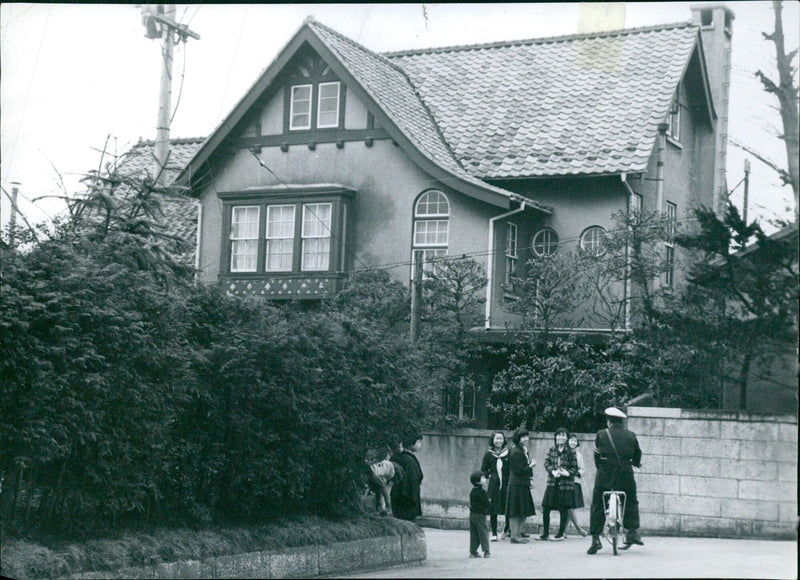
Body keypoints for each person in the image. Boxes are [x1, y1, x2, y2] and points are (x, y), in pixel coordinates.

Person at [587, 407, 644, 555]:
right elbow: (638, 454)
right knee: (631, 500)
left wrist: (600, 468)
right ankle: (632, 531)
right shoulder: (631, 435)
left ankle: (595, 539)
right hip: (625, 474)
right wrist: (636, 464)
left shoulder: (601, 434)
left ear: (609, 421)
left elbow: (597, 457)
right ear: (622, 422)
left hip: (605, 474)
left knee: (598, 503)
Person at [538, 427, 578, 541]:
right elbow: (546, 463)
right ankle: (545, 533)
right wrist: (552, 471)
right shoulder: (552, 449)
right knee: (546, 508)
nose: (561, 438)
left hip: (565, 484)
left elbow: (575, 468)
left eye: (563, 435)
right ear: (555, 437)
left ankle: (560, 534)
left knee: (563, 509)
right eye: (559, 435)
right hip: (552, 482)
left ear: (566, 438)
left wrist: (567, 473)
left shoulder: (571, 452)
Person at [505, 427, 536, 543]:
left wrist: (530, 479)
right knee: (515, 511)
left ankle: (518, 534)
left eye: (526, 436)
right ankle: (514, 536)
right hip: (516, 485)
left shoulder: (524, 449)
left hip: (523, 484)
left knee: (524, 510)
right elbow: (519, 470)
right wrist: (531, 465)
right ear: (517, 438)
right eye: (522, 437)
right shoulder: (516, 451)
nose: (525, 439)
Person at [480, 431, 510, 541]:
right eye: (497, 439)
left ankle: (506, 530)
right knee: (494, 509)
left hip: (506, 484)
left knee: (507, 507)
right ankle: (494, 533)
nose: (499, 441)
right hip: (494, 485)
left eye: (501, 439)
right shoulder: (488, 454)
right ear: (493, 440)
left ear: (504, 440)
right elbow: (483, 470)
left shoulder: (508, 453)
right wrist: (491, 475)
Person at [390, 434, 424, 521]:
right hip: (408, 498)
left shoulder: (395, 457)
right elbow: (412, 481)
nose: (420, 445)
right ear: (412, 443)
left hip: (396, 496)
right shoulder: (409, 461)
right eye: (419, 442)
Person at [566, 433, 588, 537]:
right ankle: (576, 528)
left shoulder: (579, 455)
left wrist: (576, 472)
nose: (573, 442)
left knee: (570, 507)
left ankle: (564, 530)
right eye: (571, 440)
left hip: (574, 482)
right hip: (564, 482)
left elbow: (583, 469)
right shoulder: (563, 453)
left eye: (575, 441)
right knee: (567, 507)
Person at [468, 471, 491, 558]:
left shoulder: (472, 491)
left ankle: (473, 551)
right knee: (483, 532)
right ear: (477, 481)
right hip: (480, 515)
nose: (485, 480)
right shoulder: (482, 492)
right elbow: (486, 503)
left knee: (474, 533)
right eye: (483, 478)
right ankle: (486, 550)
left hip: (473, 514)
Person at [368, 447, 396, 516]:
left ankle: (383, 508)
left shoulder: (381, 464)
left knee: (382, 492)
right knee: (383, 492)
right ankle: (385, 507)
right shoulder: (386, 464)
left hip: (380, 478)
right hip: (382, 478)